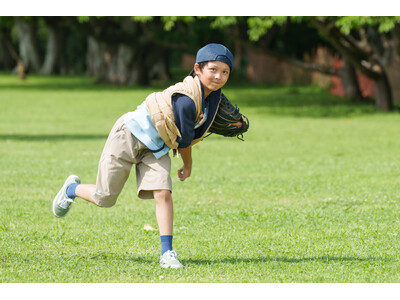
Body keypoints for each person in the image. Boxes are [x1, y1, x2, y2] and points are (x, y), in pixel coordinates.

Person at [52, 43, 236, 269]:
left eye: (225, 72)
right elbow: (185, 141)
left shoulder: (213, 97)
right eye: (213, 69)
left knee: (163, 192)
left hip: (155, 148)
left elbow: (198, 126)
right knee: (104, 198)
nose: (219, 76)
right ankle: (71, 189)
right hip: (128, 136)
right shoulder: (186, 100)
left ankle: (167, 253)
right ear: (197, 69)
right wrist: (188, 166)